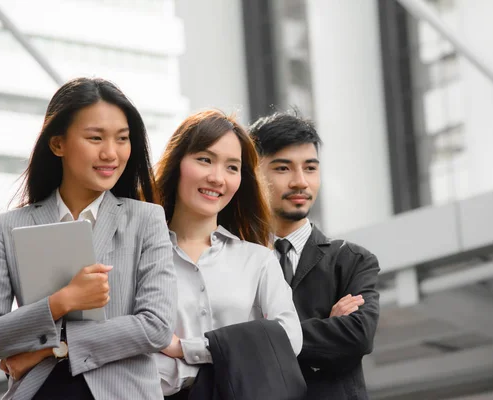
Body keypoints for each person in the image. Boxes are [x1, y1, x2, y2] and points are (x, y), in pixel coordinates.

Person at [0, 77, 177, 400]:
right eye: (95, 138)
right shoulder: (9, 227)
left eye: (122, 138)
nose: (111, 153)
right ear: (57, 144)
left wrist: (54, 349)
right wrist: (61, 301)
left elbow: (156, 326)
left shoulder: (146, 220)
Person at [153, 110, 303, 398]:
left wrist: (184, 349)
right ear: (178, 163)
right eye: (205, 160)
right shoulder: (141, 258)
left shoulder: (257, 260)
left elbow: (288, 338)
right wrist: (225, 360)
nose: (217, 178)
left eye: (232, 167)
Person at [249, 112, 380, 400]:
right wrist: (327, 329)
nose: (300, 182)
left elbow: (357, 335)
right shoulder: (236, 259)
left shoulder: (352, 260)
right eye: (283, 169)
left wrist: (259, 341)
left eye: (310, 168)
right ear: (253, 173)